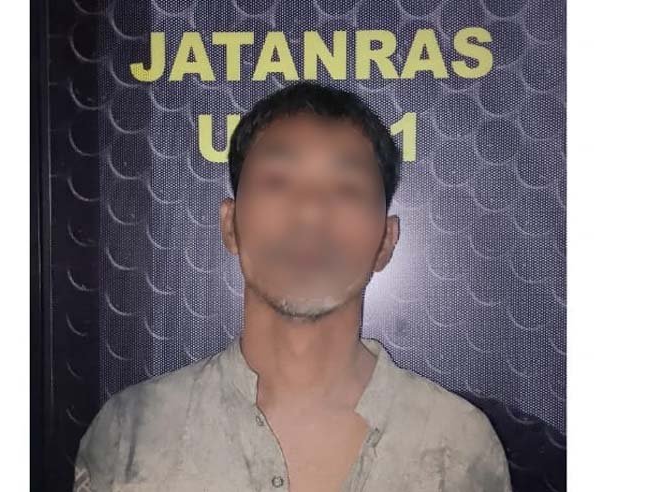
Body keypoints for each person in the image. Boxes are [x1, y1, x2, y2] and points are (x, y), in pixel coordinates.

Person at [73, 81, 512, 492]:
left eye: (347, 189)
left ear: (386, 241)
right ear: (230, 225)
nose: (310, 213)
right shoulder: (130, 434)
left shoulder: (458, 444)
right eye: (278, 182)